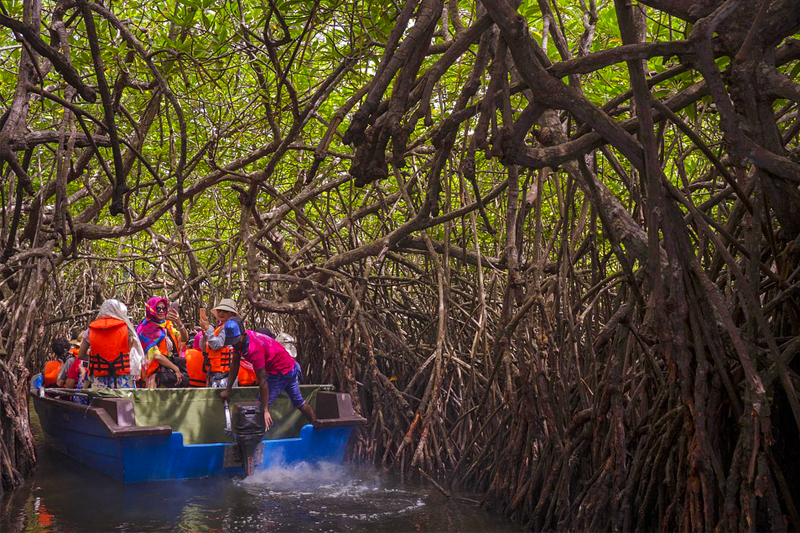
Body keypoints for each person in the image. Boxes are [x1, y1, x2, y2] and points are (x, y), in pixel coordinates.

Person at [220, 328, 316, 429]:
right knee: (298, 402)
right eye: (232, 342)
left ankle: (255, 442)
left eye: (235, 342)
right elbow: (235, 363)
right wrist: (228, 390)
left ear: (243, 335)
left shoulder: (254, 350)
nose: (234, 345)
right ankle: (316, 423)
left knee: (259, 408)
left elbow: (262, 380)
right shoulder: (240, 339)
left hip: (281, 371)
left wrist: (265, 409)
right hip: (290, 366)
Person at [77, 299, 144, 389]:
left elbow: (81, 355)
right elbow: (129, 352)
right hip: (122, 377)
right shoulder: (127, 329)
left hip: (100, 379)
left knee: (102, 402)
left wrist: (96, 359)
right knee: (125, 402)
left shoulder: (91, 329)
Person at [136, 297, 187, 388]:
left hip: (170, 375)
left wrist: (180, 323)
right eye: (158, 308)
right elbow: (156, 355)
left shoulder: (167, 326)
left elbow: (183, 339)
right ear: (151, 309)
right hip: (156, 377)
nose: (161, 311)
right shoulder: (146, 329)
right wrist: (176, 369)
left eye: (164, 308)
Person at [198, 299, 243, 388]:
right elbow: (203, 348)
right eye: (219, 311)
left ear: (232, 314)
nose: (221, 313)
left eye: (225, 311)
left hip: (225, 376)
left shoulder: (230, 328)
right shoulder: (219, 328)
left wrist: (208, 329)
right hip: (215, 374)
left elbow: (217, 345)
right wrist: (205, 336)